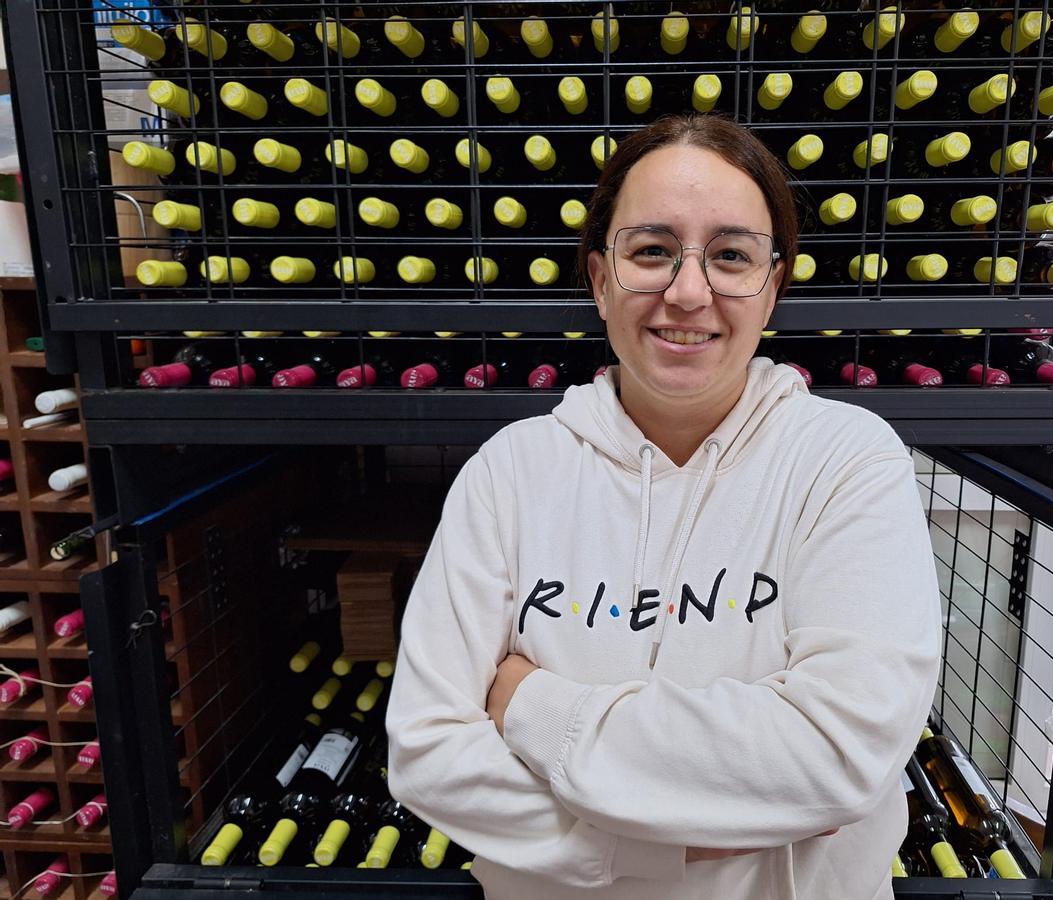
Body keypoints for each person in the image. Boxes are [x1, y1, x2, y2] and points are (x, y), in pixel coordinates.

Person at [386, 115, 941, 900]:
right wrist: (677, 844)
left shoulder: (847, 461)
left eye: (731, 256)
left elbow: (838, 755)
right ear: (600, 279)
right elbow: (427, 752)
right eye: (651, 251)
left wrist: (534, 708)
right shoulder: (509, 473)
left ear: (772, 286)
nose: (688, 292)